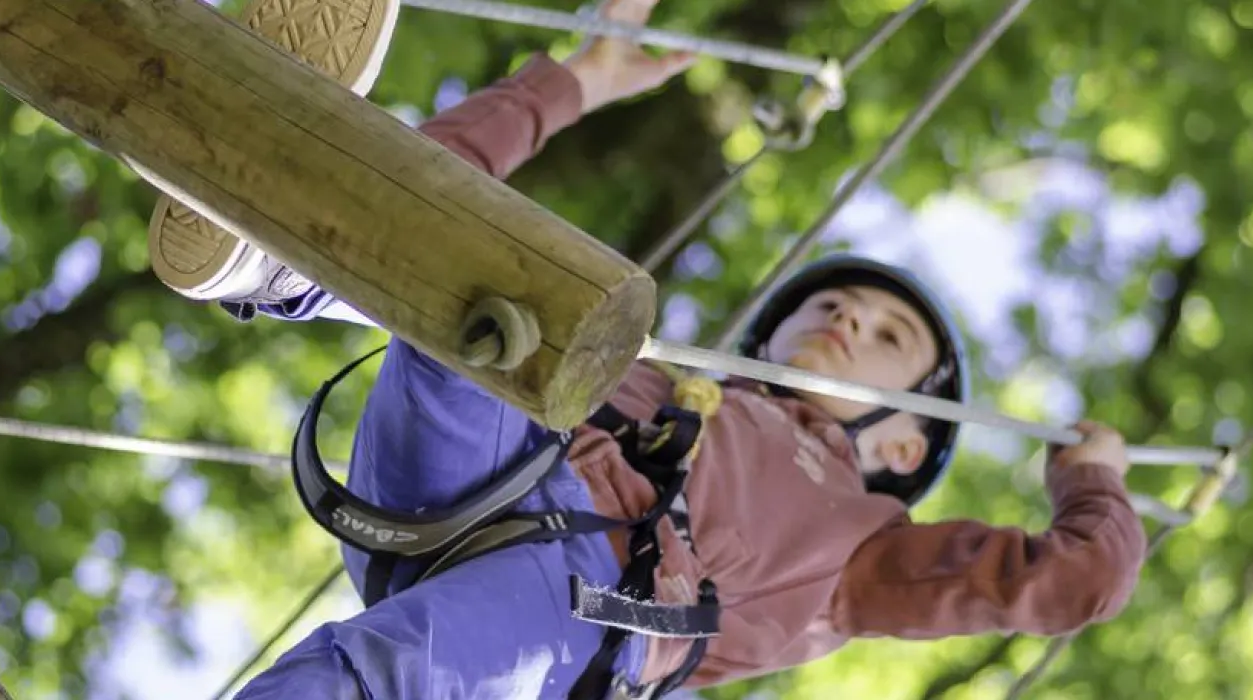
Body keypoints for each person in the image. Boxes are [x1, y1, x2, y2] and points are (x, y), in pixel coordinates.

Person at [144, 0, 1150, 697]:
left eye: (887, 338)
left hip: (584, 596)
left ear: (901, 448)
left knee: (372, 683)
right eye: (833, 303)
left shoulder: (857, 549)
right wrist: (571, 81)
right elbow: (430, 204)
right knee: (477, 259)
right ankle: (280, 257)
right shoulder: (648, 381)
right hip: (497, 456)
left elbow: (1075, 581)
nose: (845, 320)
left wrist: (1090, 484)